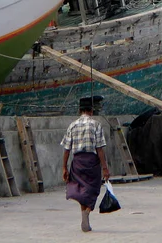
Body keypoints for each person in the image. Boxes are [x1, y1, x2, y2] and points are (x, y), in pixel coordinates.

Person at [61, 97, 111, 232]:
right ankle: (87, 211)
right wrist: (105, 168)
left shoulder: (72, 125)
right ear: (91, 110)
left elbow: (66, 149)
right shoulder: (96, 125)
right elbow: (100, 148)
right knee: (93, 189)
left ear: (79, 110)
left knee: (81, 189)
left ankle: (84, 215)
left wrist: (64, 167)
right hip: (91, 161)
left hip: (77, 162)